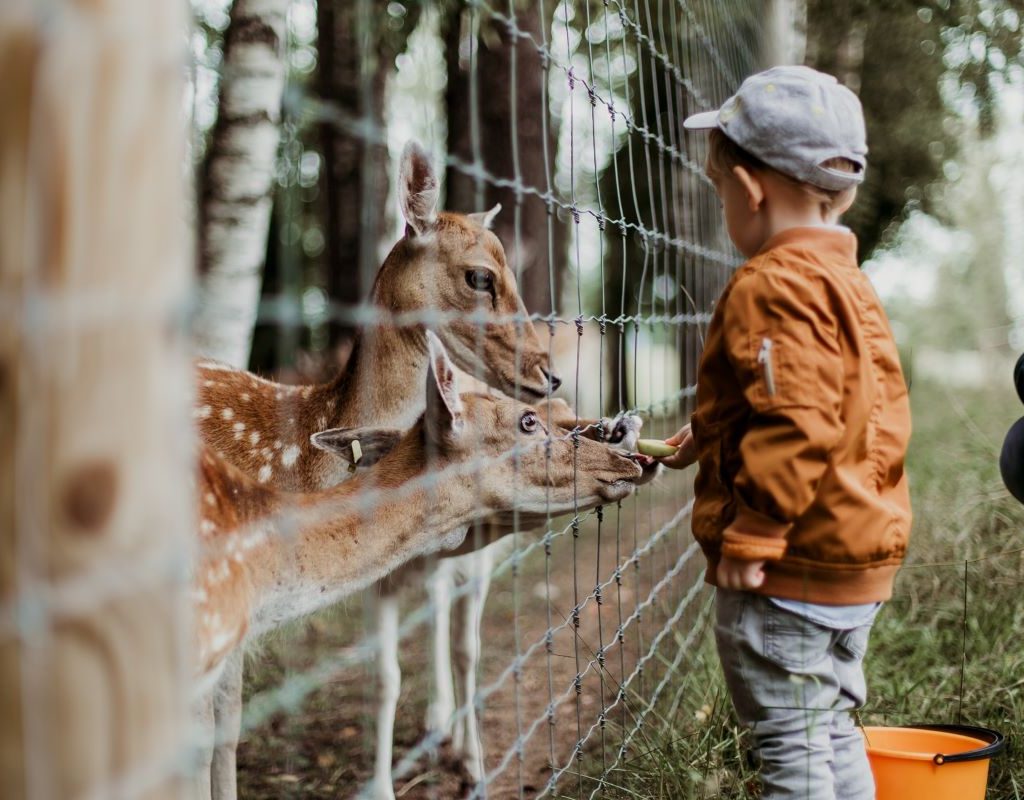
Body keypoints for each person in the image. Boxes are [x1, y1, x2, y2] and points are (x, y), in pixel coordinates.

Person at [658, 66, 912, 800]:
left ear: (751, 190)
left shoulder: (770, 284)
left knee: (792, 751)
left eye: (720, 191)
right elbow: (845, 409)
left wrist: (757, 530)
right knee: (831, 731)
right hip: (849, 562)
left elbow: (798, 419)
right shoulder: (847, 283)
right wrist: (710, 435)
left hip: (788, 570)